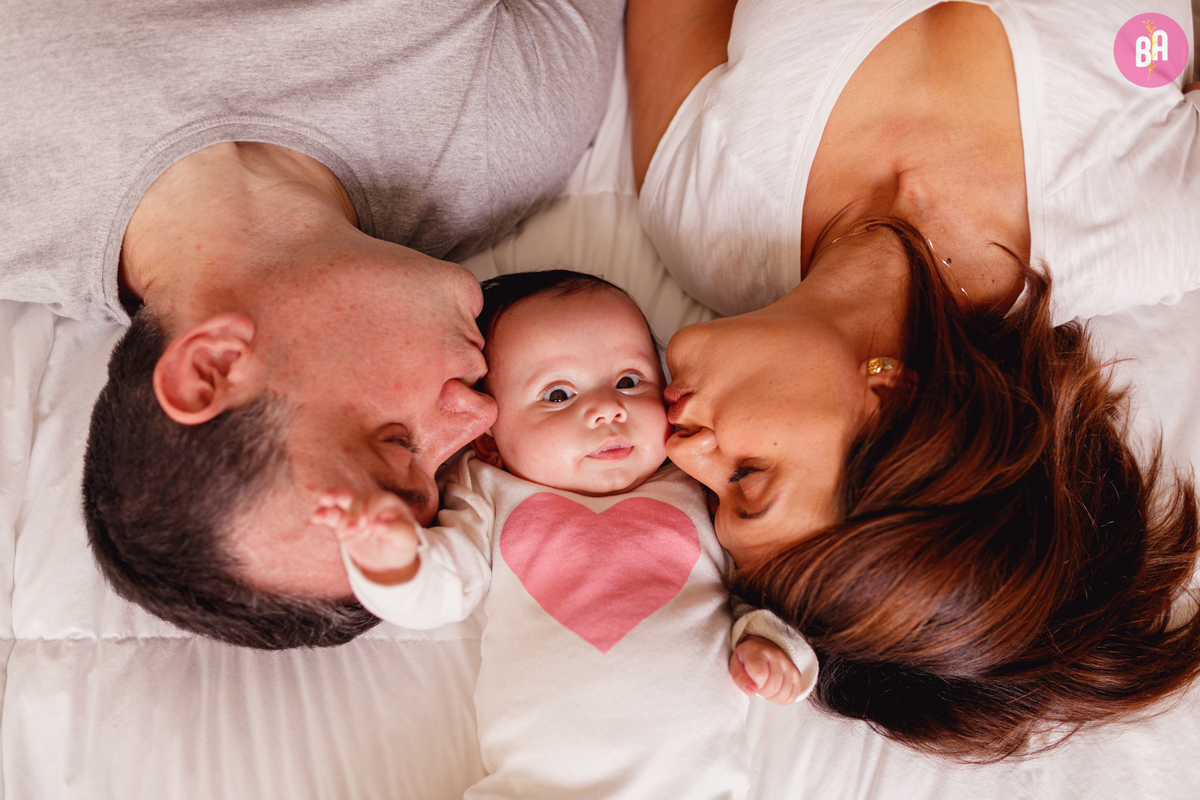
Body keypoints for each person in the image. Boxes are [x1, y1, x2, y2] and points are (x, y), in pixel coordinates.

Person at [627, 0, 1200, 760]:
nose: (683, 450)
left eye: (712, 492)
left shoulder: (701, 209)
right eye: (748, 476)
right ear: (897, 399)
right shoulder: (1142, 223)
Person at [0, 0, 625, 648]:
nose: (476, 416)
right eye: (440, 473)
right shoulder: (504, 132)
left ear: (210, 367)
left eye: (395, 444)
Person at [313, 271, 819, 798]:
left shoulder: (696, 479)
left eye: (629, 381)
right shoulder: (489, 492)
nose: (607, 407)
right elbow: (443, 589)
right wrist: (392, 557)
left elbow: (759, 586)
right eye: (558, 394)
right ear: (488, 441)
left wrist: (776, 648)